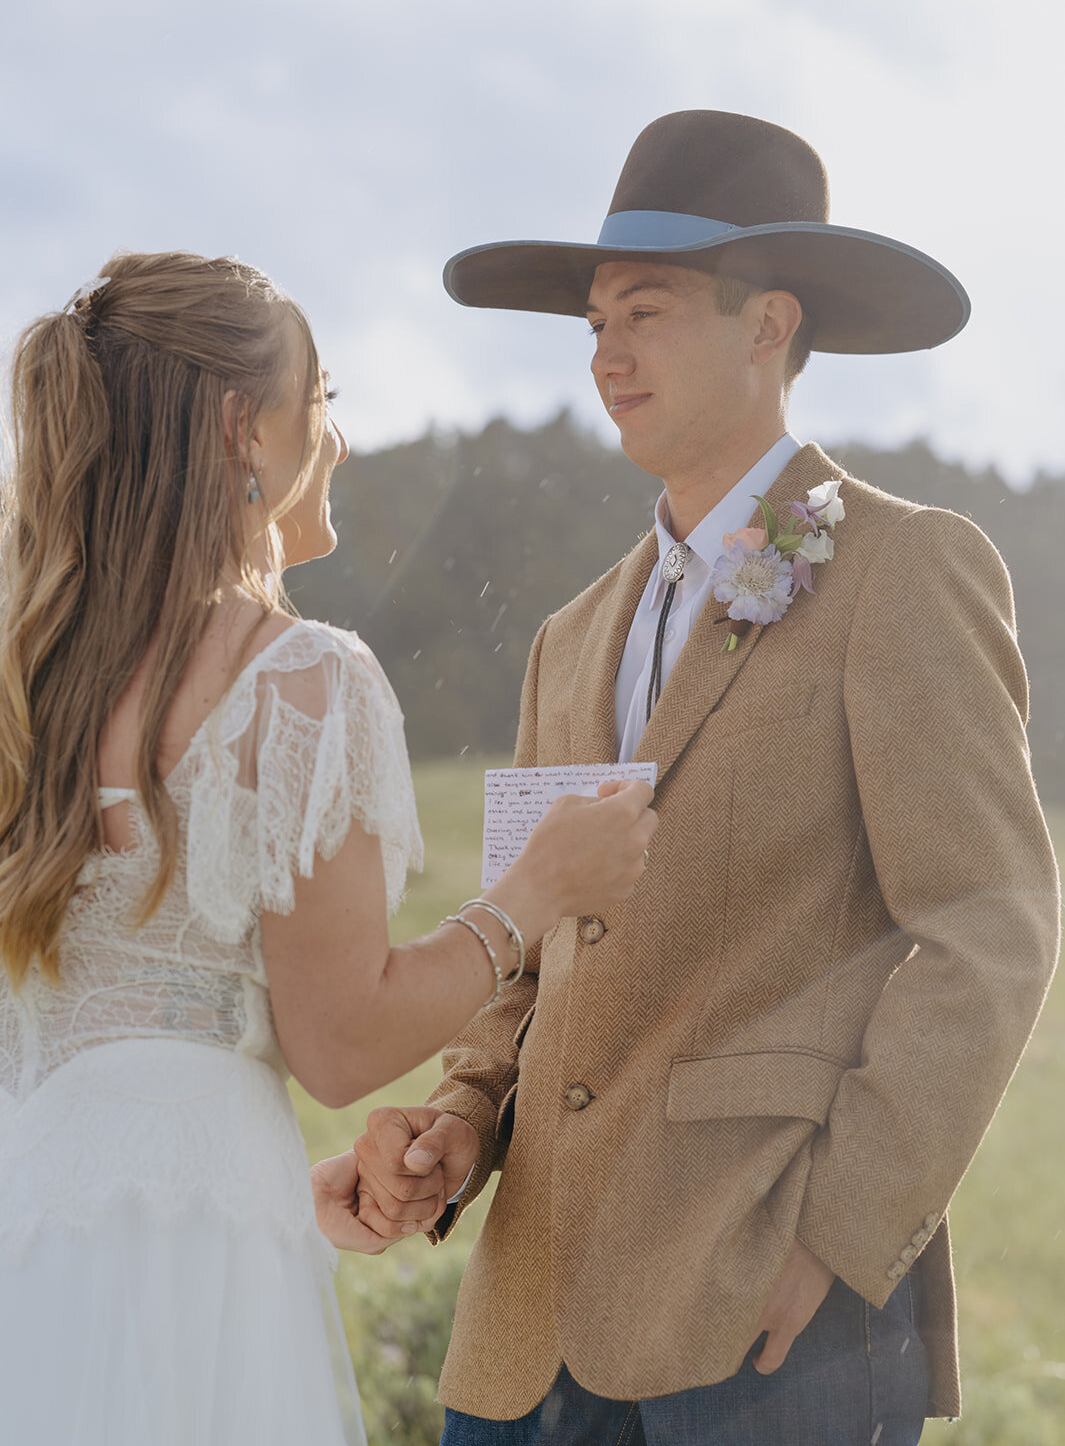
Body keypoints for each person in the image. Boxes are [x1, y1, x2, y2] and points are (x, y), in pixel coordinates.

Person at [321, 112, 1061, 1445]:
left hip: (768, 1325)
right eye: (592, 323)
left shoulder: (903, 566)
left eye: (642, 314)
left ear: (766, 323)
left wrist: (837, 1243)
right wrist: (455, 1123)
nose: (604, 357)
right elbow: (537, 959)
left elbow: (987, 927)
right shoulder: (568, 638)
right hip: (523, 1336)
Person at [0, 250, 656, 1446]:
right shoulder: (298, 677)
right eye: (328, 398)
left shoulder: (21, 672)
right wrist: (536, 890)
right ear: (245, 427)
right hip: (194, 1240)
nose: (340, 439)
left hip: (33, 1226)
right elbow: (342, 1042)